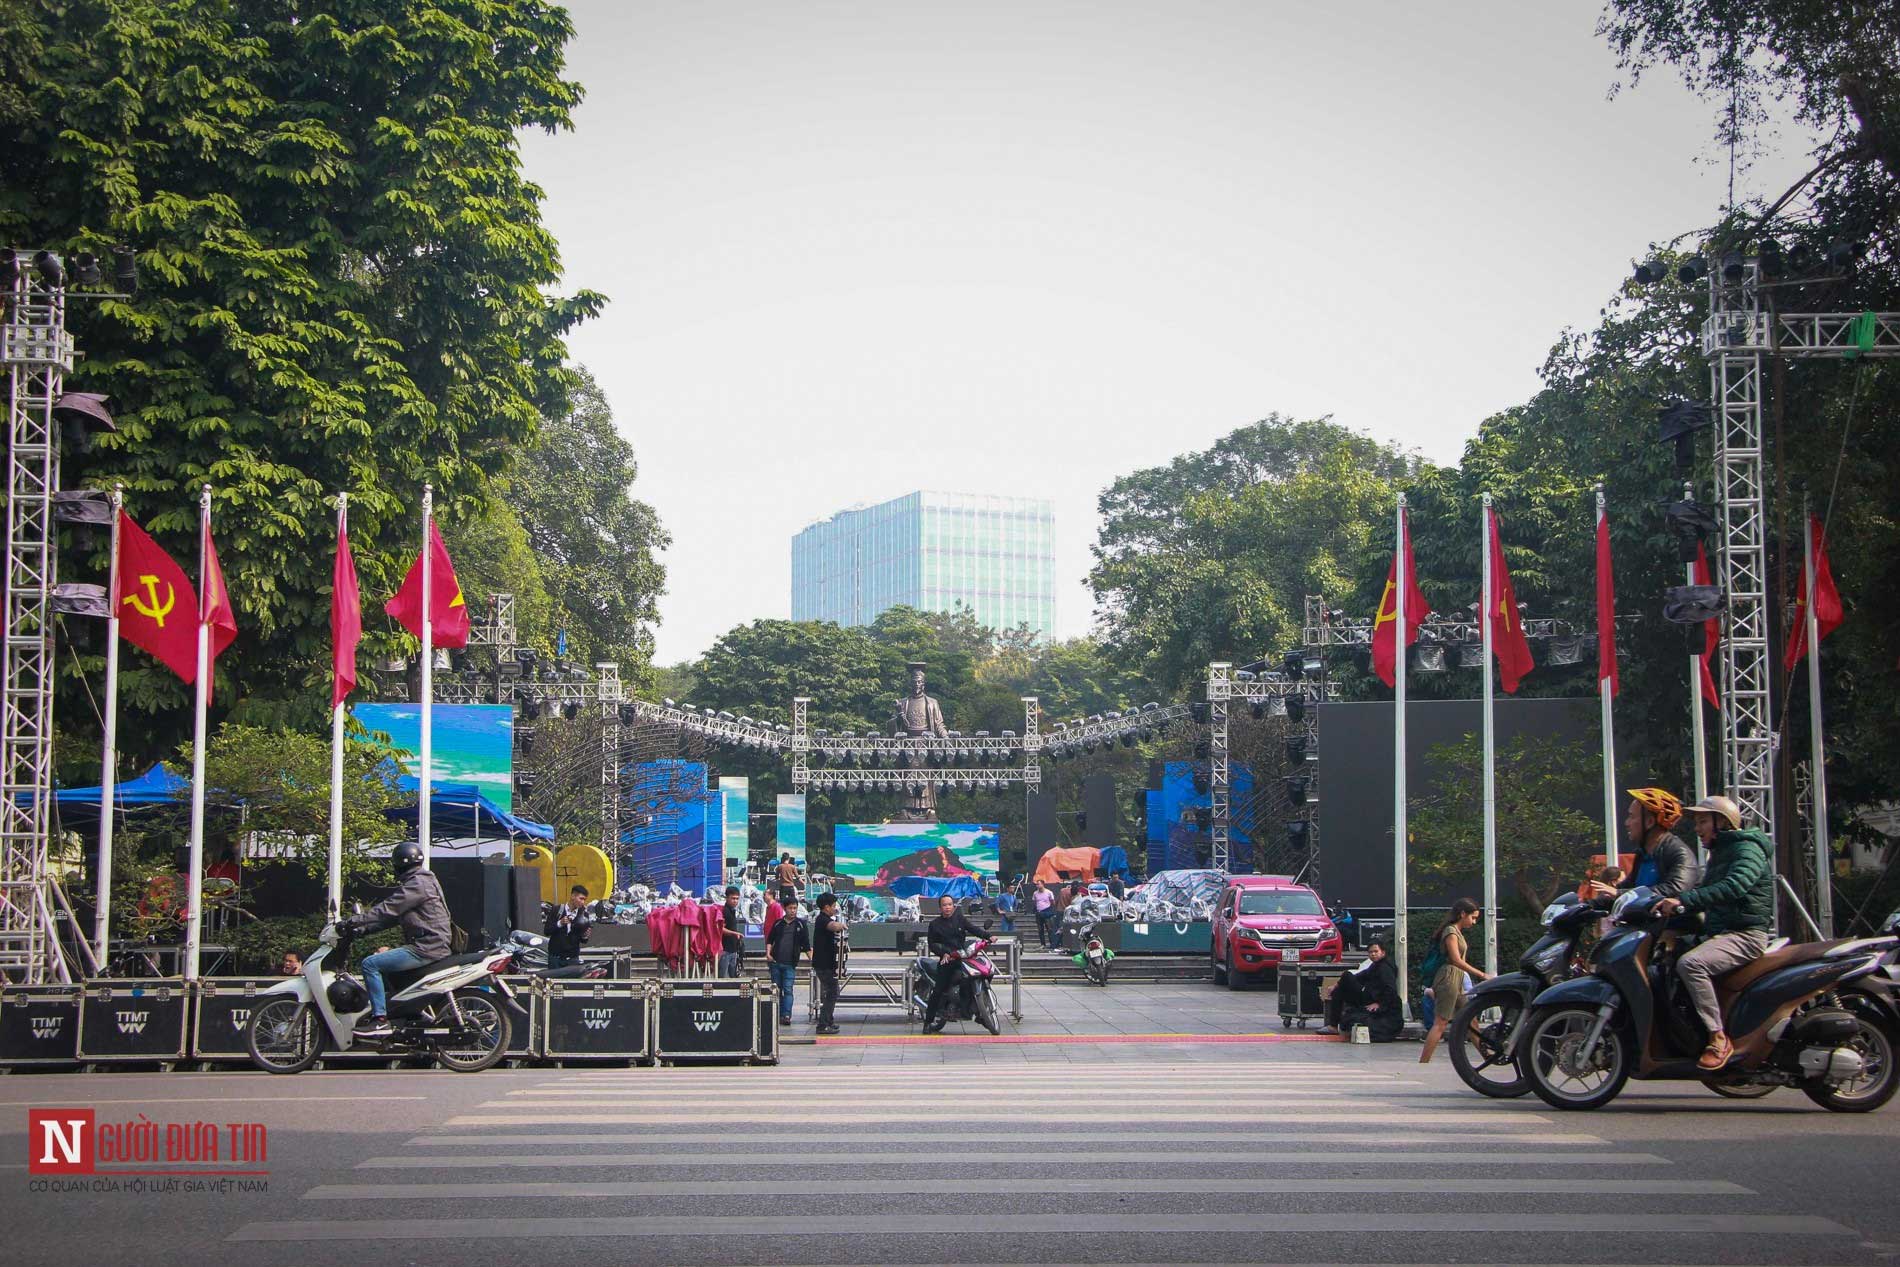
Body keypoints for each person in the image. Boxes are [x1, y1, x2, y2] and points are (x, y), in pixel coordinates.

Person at [1654, 795, 1775, 1070]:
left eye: (1703, 822)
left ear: (1722, 822)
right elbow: (1706, 894)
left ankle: (1717, 1038)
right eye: (1696, 823)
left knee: (1691, 964)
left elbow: (1734, 887)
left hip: (1745, 934)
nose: (1697, 829)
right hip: (1722, 932)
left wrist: (1684, 900)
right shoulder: (1722, 852)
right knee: (1665, 959)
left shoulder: (1747, 849)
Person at [341, 840, 450, 1036]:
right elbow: (393, 918)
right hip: (432, 944)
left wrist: (352, 921)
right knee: (387, 970)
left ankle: (380, 1019)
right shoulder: (423, 881)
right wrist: (363, 930)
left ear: (398, 865)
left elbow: (387, 909)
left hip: (426, 947)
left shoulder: (417, 884)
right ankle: (404, 1015)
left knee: (370, 964)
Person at [1587, 789, 1698, 903]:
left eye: (1632, 817)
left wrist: (1619, 893)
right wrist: (1588, 905)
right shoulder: (1642, 854)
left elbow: (1676, 889)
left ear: (1650, 822)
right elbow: (1627, 887)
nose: (1627, 823)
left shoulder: (1679, 853)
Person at [1418, 898, 1489, 1064]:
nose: (1474, 922)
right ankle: (1423, 1062)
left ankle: (1488, 1056)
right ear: (1462, 914)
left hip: (1457, 979)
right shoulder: (1450, 931)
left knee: (1471, 1020)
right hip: (1448, 978)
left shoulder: (1456, 931)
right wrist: (1482, 974)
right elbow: (1456, 960)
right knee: (1441, 1022)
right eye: (1473, 917)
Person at [922, 894, 987, 1033]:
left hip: (962, 959)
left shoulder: (960, 919)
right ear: (940, 907)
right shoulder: (935, 924)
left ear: (953, 906)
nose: (947, 907)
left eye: (950, 904)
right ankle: (928, 1022)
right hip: (946, 961)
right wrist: (943, 953)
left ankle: (976, 1013)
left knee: (970, 980)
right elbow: (932, 944)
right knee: (938, 990)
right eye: (944, 905)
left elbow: (974, 929)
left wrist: (988, 936)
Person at [1320, 940, 1401, 1040]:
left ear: (1383, 953)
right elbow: (1360, 976)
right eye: (1370, 952)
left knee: (1346, 975)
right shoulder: (1375, 966)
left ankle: (1333, 1025)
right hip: (1369, 995)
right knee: (1339, 990)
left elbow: (1391, 989)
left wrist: (1379, 1004)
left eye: (1376, 951)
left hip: (1375, 999)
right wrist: (1336, 986)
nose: (1373, 954)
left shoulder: (1385, 968)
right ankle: (1333, 1025)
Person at [764, 887, 807, 1027]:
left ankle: (786, 1015)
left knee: (788, 989)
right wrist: (768, 954)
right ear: (784, 908)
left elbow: (806, 945)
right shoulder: (778, 924)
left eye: (795, 908)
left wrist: (812, 959)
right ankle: (777, 1013)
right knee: (776, 989)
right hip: (776, 962)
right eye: (790, 908)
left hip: (790, 963)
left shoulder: (801, 924)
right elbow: (770, 940)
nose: (793, 911)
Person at [810, 892, 845, 1035]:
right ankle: (823, 1024)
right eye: (833, 906)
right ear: (826, 907)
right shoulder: (822, 919)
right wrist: (842, 924)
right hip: (823, 964)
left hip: (828, 963)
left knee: (832, 992)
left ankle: (829, 1021)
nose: (835, 908)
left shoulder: (824, 918)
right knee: (832, 992)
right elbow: (833, 926)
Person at [545, 884, 592, 969]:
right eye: (581, 898)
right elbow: (547, 931)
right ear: (573, 896)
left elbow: (583, 940)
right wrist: (560, 923)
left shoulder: (584, 915)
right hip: (555, 958)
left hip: (572, 958)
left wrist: (585, 936)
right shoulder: (557, 910)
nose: (582, 902)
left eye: (584, 899)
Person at [718, 885, 745, 977]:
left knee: (734, 977)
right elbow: (720, 929)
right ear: (727, 898)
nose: (735, 901)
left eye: (737, 899)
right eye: (733, 898)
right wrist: (734, 933)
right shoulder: (724, 911)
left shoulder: (732, 911)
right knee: (723, 978)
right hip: (725, 950)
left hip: (733, 950)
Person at [1032, 881, 1056, 949]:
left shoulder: (1049, 892)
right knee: (1040, 929)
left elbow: (1052, 901)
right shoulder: (1035, 893)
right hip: (1039, 912)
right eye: (1036, 884)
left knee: (1049, 929)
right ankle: (1043, 944)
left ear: (1043, 884)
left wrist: (1050, 909)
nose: (1037, 885)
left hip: (1047, 911)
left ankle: (1052, 944)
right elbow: (1034, 901)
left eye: (1038, 884)